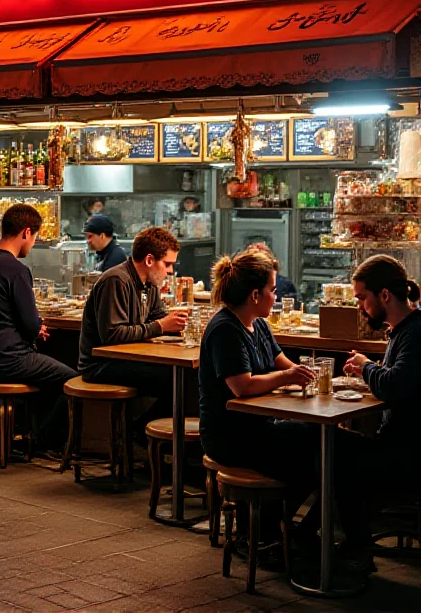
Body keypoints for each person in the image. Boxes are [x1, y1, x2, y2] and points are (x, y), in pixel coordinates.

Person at [199, 250, 317, 548]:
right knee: (314, 456)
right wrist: (288, 379)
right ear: (254, 295)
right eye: (272, 290)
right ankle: (264, 533)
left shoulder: (259, 323)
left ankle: (278, 530)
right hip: (230, 435)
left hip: (258, 426)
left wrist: (308, 374)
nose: (275, 296)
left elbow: (281, 361)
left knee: (322, 446)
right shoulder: (225, 329)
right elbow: (242, 386)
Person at [0, 203, 76, 452]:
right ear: (26, 232)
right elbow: (28, 323)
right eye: (34, 237)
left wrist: (34, 326)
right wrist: (37, 328)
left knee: (49, 378)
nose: (33, 243)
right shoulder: (17, 270)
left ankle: (26, 433)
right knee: (72, 381)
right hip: (10, 361)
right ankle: (43, 441)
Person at [336, 255, 421, 565]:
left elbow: (395, 385)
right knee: (331, 447)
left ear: (384, 295)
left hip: (407, 453)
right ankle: (341, 545)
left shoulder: (414, 333)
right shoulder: (404, 329)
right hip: (401, 444)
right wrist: (370, 373)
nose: (360, 307)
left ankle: (355, 551)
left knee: (333, 454)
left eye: (362, 298)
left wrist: (365, 366)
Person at [78, 226, 188, 425]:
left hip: (126, 359)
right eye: (167, 264)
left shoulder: (149, 283)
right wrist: (162, 326)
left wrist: (181, 325)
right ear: (149, 260)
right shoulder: (116, 280)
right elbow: (112, 335)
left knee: (189, 375)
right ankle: (143, 432)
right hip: (100, 365)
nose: (171, 271)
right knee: (178, 381)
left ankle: (152, 435)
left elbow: (157, 315)